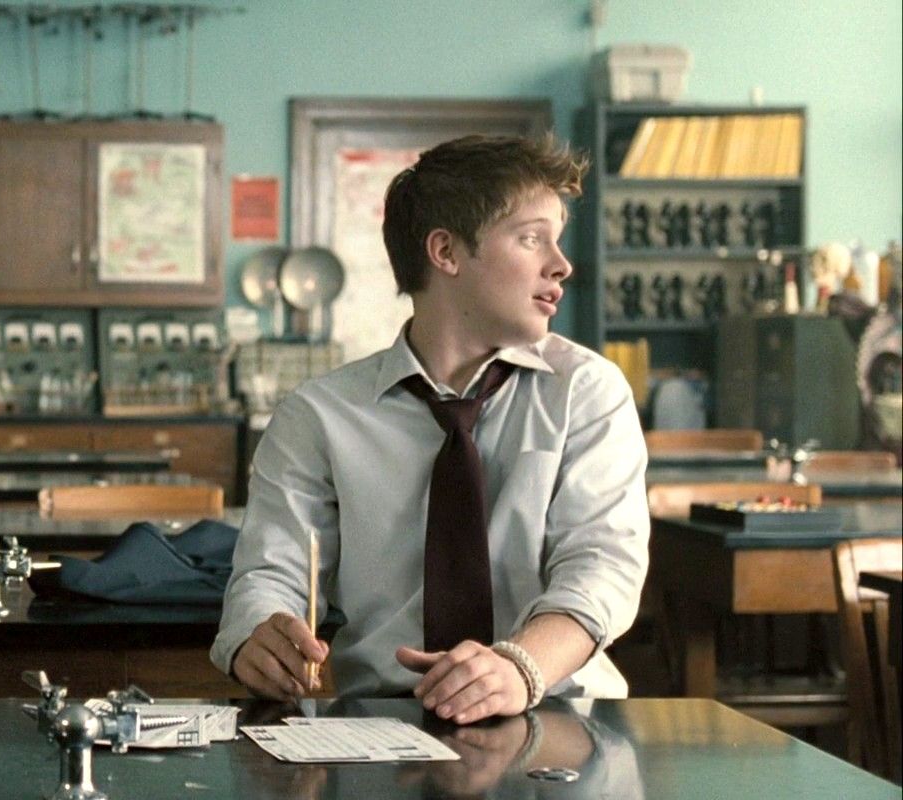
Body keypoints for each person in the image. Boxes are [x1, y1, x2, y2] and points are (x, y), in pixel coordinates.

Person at [212, 134, 648, 724]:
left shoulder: (585, 392)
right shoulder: (317, 415)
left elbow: (602, 568)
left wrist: (519, 668)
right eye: (531, 238)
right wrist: (256, 635)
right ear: (445, 252)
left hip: (559, 712)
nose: (561, 265)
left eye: (558, 239)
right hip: (382, 723)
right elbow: (271, 572)